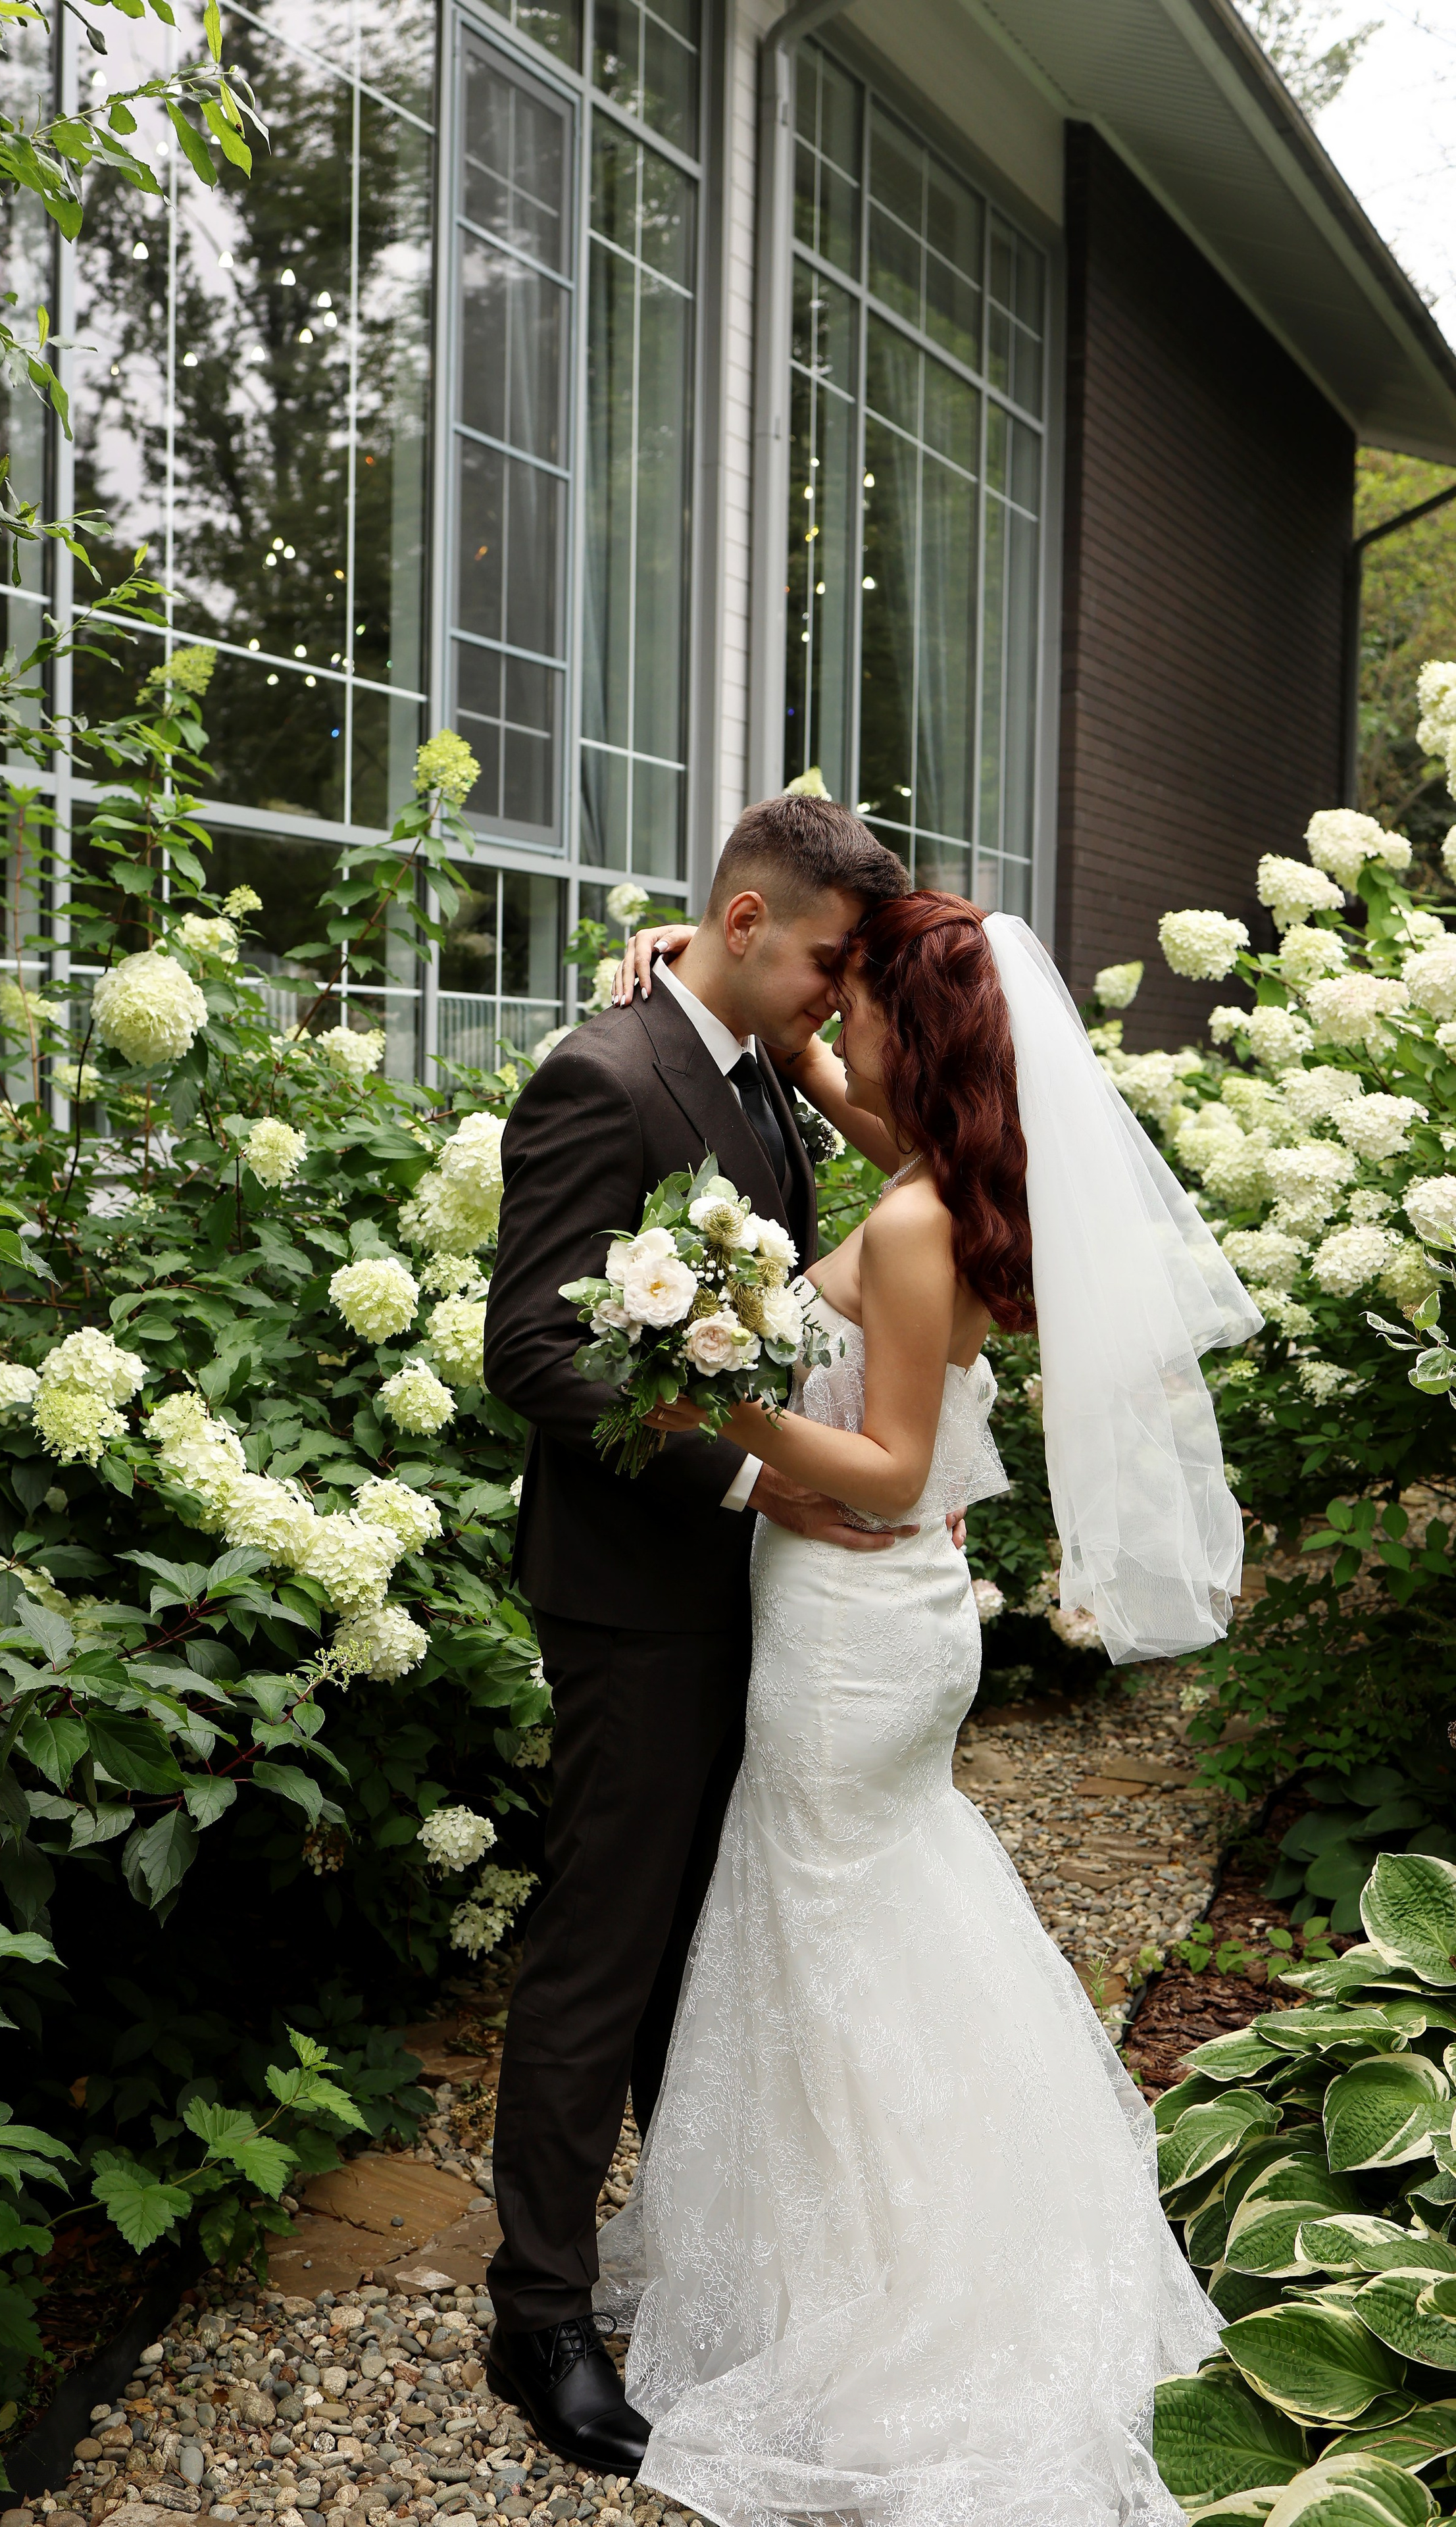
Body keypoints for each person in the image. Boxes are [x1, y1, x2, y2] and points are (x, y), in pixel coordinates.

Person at [592, 892, 1259, 2527]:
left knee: (828, 1933)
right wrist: (688, 968)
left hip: (847, 1621)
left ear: (925, 1033)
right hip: (892, 1630)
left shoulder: (904, 1226)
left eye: (866, 995)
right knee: (882, 1912)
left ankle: (885, 2290)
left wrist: (717, 1393)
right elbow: (832, 1078)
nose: (845, 1016)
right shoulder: (945, 1170)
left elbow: (889, 1473)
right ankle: (923, 2232)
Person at [480, 794, 916, 2472]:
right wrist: (740, 1485)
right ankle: (539, 2318)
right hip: (637, 1594)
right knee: (601, 1950)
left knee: (702, 1945)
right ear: (742, 923)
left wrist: (804, 1065)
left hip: (760, 1599)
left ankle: (690, 2252)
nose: (832, 995)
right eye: (819, 960)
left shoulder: (745, 1074)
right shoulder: (600, 1078)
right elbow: (532, 1349)